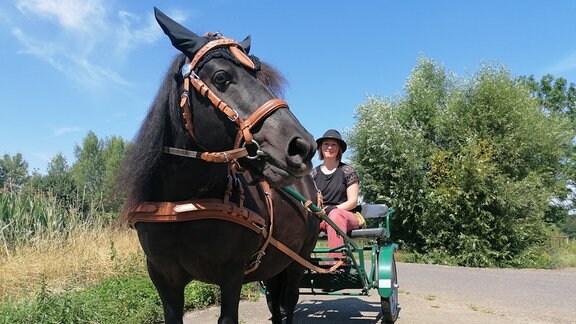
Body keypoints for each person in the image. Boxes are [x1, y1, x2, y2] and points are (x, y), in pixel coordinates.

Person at [311, 129, 361, 260]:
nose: (329, 147)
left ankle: (336, 263)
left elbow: (353, 201)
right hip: (320, 217)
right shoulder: (313, 174)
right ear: (320, 148)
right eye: (326, 144)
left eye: (334, 145)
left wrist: (333, 209)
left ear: (339, 149)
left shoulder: (347, 171)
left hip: (346, 215)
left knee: (335, 215)